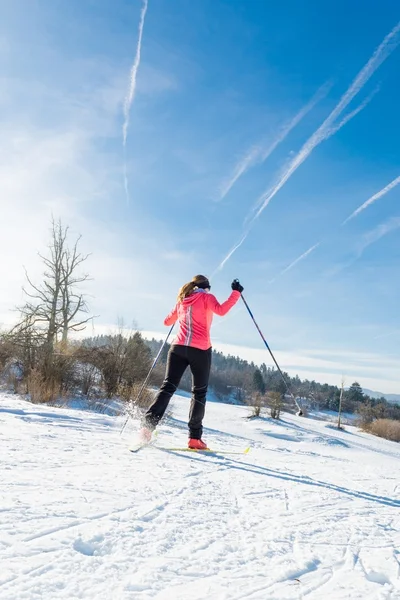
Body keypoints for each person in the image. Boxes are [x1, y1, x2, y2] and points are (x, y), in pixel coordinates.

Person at [141, 275, 244, 449]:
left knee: (168, 387)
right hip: (200, 350)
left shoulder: (182, 300)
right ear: (206, 287)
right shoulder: (207, 297)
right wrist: (236, 293)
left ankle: (147, 428)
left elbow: (167, 322)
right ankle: (194, 438)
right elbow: (221, 310)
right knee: (199, 392)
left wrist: (180, 314)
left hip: (178, 348)